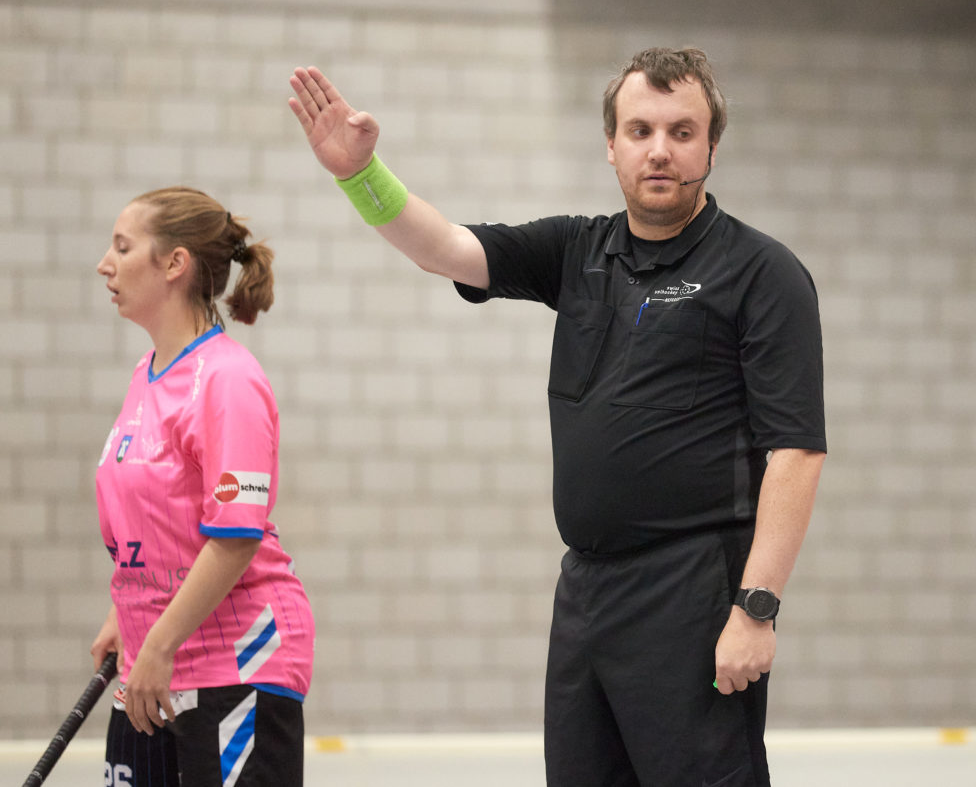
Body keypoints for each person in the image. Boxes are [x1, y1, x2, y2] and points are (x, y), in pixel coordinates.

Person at [288, 47, 826, 786]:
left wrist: (756, 609)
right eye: (639, 130)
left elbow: (795, 452)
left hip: (693, 590)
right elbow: (445, 249)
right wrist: (359, 175)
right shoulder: (580, 250)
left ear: (711, 146)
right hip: (586, 592)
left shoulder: (762, 273)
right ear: (611, 146)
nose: (660, 149)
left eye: (681, 131)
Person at [91, 187, 314, 787]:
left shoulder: (228, 381)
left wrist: (159, 643)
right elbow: (161, 515)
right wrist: (128, 607)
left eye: (122, 246)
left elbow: (236, 536)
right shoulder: (148, 374)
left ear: (174, 263)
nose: (104, 264)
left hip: (232, 662)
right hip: (155, 657)